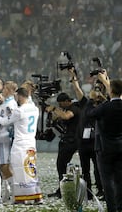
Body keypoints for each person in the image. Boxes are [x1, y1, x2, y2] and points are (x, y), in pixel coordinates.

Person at [0, 87, 42, 204]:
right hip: (31, 143)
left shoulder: (20, 111)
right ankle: (37, 196)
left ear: (19, 96)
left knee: (19, 170)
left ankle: (21, 197)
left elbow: (5, 121)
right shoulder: (34, 109)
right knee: (31, 169)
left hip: (20, 144)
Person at [86, 79, 122, 212]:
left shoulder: (105, 107)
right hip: (120, 147)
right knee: (119, 179)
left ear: (110, 91)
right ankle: (120, 206)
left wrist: (91, 99)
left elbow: (90, 114)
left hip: (104, 148)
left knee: (107, 180)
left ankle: (112, 208)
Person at [68, 69, 105, 199]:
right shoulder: (85, 103)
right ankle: (88, 191)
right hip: (83, 142)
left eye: (96, 90)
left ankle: (101, 189)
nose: (93, 91)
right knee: (85, 169)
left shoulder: (103, 105)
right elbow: (78, 90)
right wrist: (73, 77)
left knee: (98, 168)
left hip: (95, 141)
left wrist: (104, 80)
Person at [45, 92, 81, 198]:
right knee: (61, 165)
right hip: (67, 139)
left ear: (67, 101)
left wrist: (54, 109)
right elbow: (60, 118)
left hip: (72, 140)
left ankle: (63, 190)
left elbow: (66, 116)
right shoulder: (67, 108)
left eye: (61, 104)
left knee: (62, 164)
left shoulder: (74, 108)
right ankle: (62, 188)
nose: (60, 106)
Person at [0, 81, 18, 202]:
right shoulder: (6, 102)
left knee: (5, 166)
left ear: (10, 90)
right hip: (1, 136)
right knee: (2, 166)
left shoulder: (10, 104)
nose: (3, 90)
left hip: (5, 137)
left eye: (5, 88)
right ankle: (7, 193)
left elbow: (11, 120)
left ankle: (15, 193)